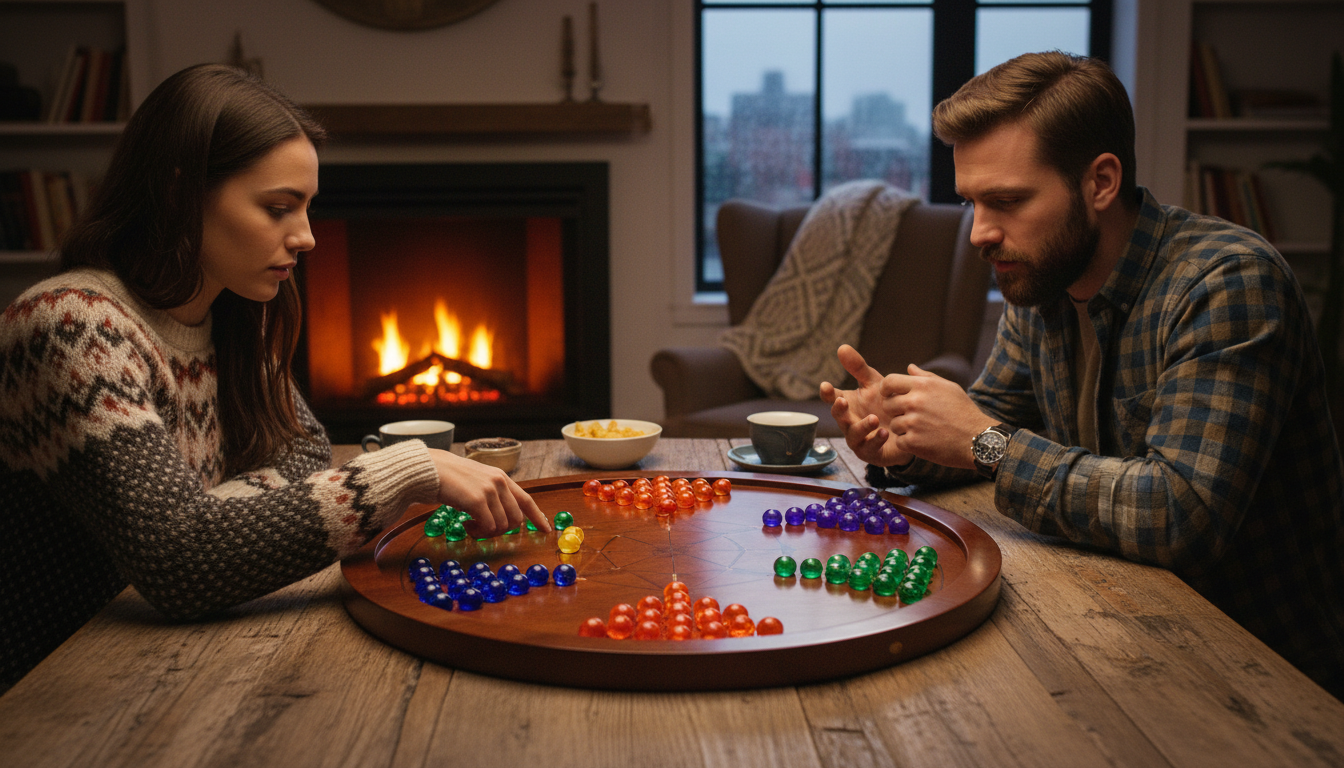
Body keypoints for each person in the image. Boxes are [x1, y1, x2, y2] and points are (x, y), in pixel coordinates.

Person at [0, 64, 548, 688]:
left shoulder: (227, 310)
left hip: (169, 657)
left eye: (308, 208)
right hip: (56, 684)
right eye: (279, 208)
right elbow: (181, 563)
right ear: (180, 192)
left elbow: (304, 448)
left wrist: (213, 515)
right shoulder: (70, 327)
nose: (308, 237)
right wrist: (408, 469)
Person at [821, 52, 1344, 699]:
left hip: (1258, 672)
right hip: (1115, 632)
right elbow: (985, 435)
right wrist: (911, 442)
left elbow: (1182, 515)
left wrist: (984, 439)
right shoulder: (1043, 285)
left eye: (1008, 201)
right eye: (972, 203)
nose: (980, 233)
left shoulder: (1226, 282)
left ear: (1100, 182)